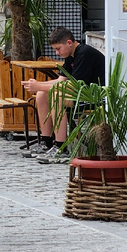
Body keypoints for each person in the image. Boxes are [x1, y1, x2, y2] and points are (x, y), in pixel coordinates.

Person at [21, 26, 105, 163]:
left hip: (94, 97)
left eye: (58, 49)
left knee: (57, 96)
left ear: (69, 43)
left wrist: (39, 85)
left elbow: (74, 86)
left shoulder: (84, 53)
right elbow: (61, 81)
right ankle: (46, 141)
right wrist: (39, 86)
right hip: (80, 94)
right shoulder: (70, 55)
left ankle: (61, 147)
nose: (56, 52)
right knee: (43, 94)